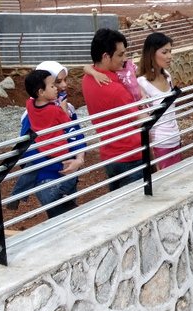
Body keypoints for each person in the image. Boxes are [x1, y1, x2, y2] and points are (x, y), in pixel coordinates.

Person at [8, 61, 88, 217]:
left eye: (65, 80)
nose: (63, 86)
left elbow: (76, 133)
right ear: (40, 91)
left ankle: (17, 196)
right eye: (56, 83)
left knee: (70, 220)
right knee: (62, 220)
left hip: (68, 172)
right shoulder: (33, 116)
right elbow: (25, 149)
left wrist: (79, 159)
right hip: (47, 178)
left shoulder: (66, 109)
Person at [82, 28, 143, 191]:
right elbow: (140, 120)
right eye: (120, 55)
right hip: (130, 154)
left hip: (110, 154)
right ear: (105, 56)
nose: (125, 59)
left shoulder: (87, 79)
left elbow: (87, 67)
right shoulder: (115, 89)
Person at [136, 32, 181, 170]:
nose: (169, 56)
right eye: (164, 52)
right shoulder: (141, 83)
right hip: (159, 142)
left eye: (170, 51)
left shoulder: (167, 76)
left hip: (176, 137)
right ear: (151, 53)